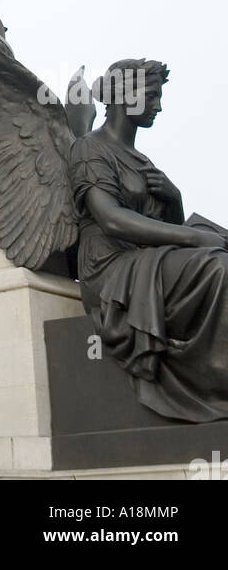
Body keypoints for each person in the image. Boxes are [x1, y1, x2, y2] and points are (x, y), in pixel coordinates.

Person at [69, 59, 228, 423]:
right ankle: (214, 386)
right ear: (126, 96)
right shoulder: (89, 149)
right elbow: (111, 218)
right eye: (152, 96)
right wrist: (193, 236)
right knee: (216, 267)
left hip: (146, 263)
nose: (158, 106)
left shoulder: (142, 160)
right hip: (111, 271)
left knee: (219, 251)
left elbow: (161, 229)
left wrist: (176, 200)